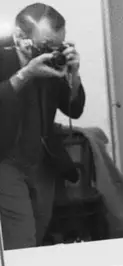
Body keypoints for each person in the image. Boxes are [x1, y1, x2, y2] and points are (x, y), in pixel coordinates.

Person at [0, 3, 85, 250]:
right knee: (22, 239)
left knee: (40, 231)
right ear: (19, 37)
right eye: (46, 45)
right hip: (5, 161)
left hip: (42, 161)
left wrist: (75, 75)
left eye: (58, 46)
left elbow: (74, 110)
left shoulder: (52, 62)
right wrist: (26, 74)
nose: (51, 52)